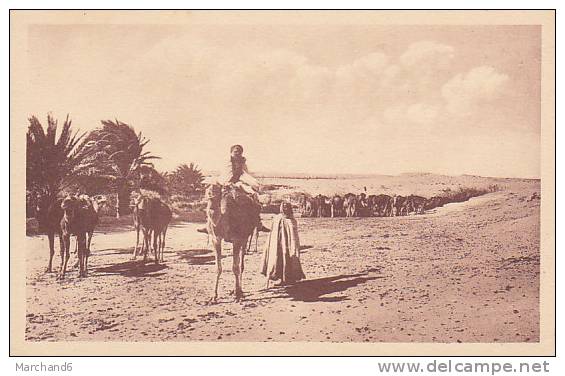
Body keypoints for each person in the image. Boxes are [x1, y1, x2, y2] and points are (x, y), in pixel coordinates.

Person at [197, 144, 269, 236]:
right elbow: (224, 175)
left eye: (239, 152)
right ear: (231, 152)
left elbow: (245, 175)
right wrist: (225, 182)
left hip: (239, 185)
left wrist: (248, 183)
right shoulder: (226, 163)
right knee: (212, 201)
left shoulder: (243, 164)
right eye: (235, 151)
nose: (237, 153)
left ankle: (258, 223)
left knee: (253, 201)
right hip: (224, 185)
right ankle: (208, 225)